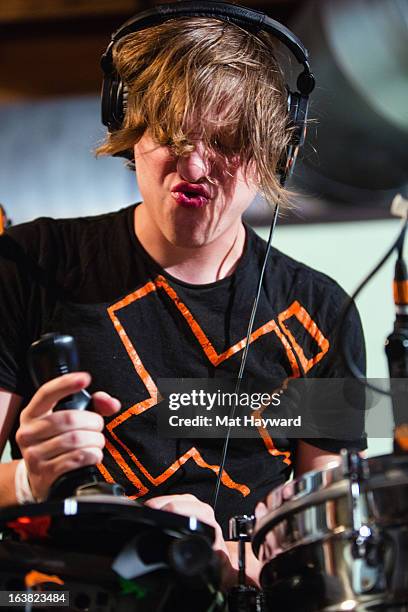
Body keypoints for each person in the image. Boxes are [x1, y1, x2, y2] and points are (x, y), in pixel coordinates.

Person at [0, 11, 366, 587]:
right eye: (171, 134)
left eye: (225, 144)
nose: (194, 166)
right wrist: (28, 481)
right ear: (131, 128)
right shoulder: (30, 264)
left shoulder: (324, 313)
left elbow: (333, 548)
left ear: (277, 152)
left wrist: (233, 561)